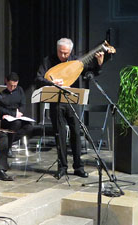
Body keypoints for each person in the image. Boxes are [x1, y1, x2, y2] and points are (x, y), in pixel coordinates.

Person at [36, 38, 107, 179]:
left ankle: (78, 167)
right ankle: (62, 167)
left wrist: (99, 64)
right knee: (60, 134)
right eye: (61, 53)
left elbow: (90, 74)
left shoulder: (76, 61)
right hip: (56, 101)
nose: (63, 56)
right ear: (57, 50)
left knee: (75, 132)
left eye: (66, 53)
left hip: (72, 101)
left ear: (71, 51)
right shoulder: (48, 61)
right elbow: (38, 78)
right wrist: (51, 82)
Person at [0, 72, 33, 181]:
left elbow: (23, 104)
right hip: (4, 119)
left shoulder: (20, 90)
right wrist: (13, 113)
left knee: (29, 127)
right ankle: (7, 149)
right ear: (6, 81)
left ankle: (8, 145)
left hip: (15, 117)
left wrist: (19, 113)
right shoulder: (1, 91)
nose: (13, 88)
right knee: (16, 124)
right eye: (11, 85)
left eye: (15, 86)